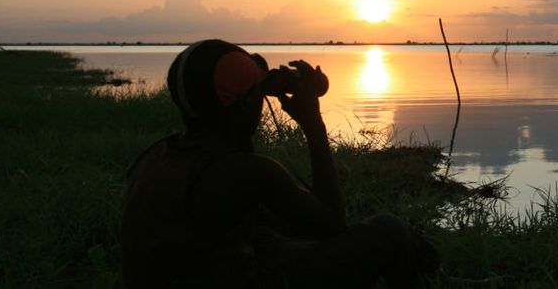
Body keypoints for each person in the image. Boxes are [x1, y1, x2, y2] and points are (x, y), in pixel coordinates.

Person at [121, 39, 439, 288]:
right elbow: (332, 224)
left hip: (191, 274)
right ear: (244, 104)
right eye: (257, 94)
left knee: (277, 230)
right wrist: (313, 125)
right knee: (388, 231)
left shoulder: (157, 155)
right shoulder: (247, 171)